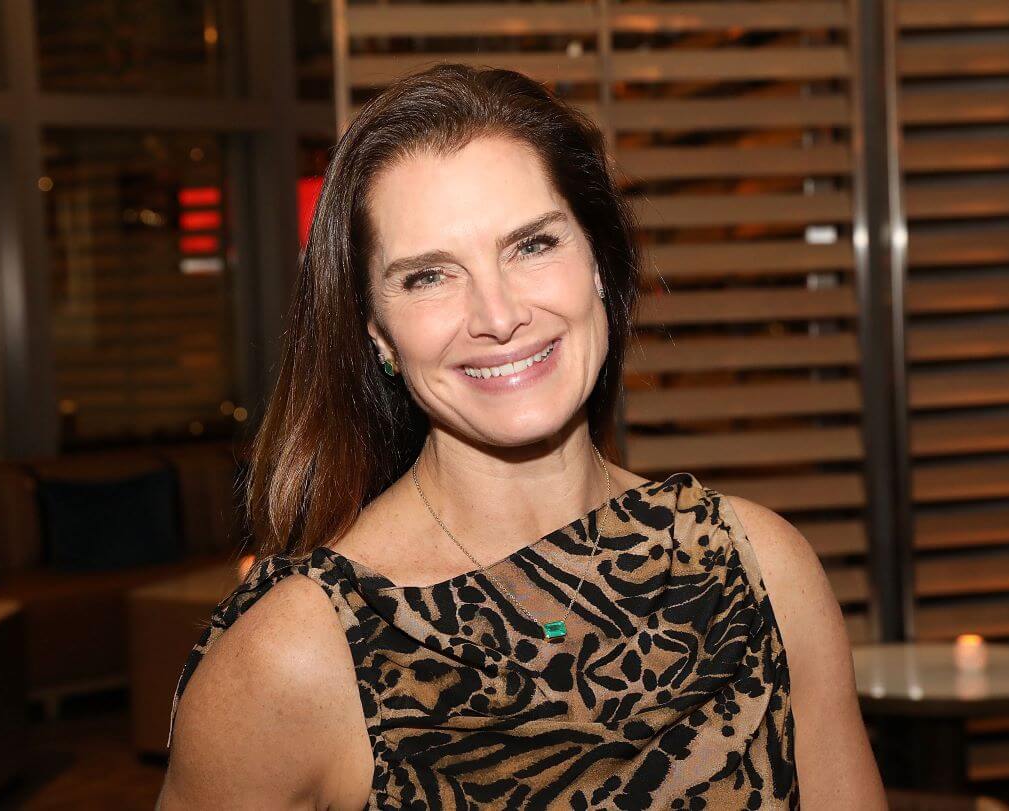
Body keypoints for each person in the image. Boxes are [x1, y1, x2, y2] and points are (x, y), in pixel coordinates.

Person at [158, 63, 885, 810]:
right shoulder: (297, 656)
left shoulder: (762, 569)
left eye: (532, 245)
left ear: (600, 261)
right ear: (377, 332)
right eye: (428, 276)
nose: (498, 315)